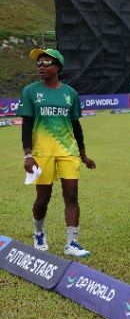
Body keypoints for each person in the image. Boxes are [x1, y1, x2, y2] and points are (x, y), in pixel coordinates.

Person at [20, 48, 95, 257]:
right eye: (39, 63)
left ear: (58, 67)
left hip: (67, 152)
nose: (41, 67)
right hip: (41, 153)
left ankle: (72, 243)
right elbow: (26, 125)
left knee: (71, 195)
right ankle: (39, 232)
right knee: (43, 199)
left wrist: (83, 154)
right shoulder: (30, 91)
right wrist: (27, 155)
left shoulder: (70, 94)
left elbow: (76, 126)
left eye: (46, 63)